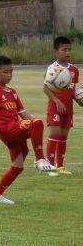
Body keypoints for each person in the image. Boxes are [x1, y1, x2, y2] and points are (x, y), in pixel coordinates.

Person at [0, 55, 55, 205]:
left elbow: (23, 112)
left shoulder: (12, 92)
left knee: (17, 166)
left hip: (15, 129)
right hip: (7, 129)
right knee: (37, 123)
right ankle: (40, 159)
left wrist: (35, 124)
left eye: (11, 72)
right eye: (5, 72)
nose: (9, 75)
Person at [43, 36, 79, 175]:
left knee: (63, 136)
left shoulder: (74, 70)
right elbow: (45, 88)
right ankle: (50, 166)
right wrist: (57, 101)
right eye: (64, 50)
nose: (67, 52)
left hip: (68, 108)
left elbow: (73, 90)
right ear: (56, 51)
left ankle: (60, 166)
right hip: (55, 107)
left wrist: (79, 100)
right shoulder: (52, 68)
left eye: (69, 50)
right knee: (55, 134)